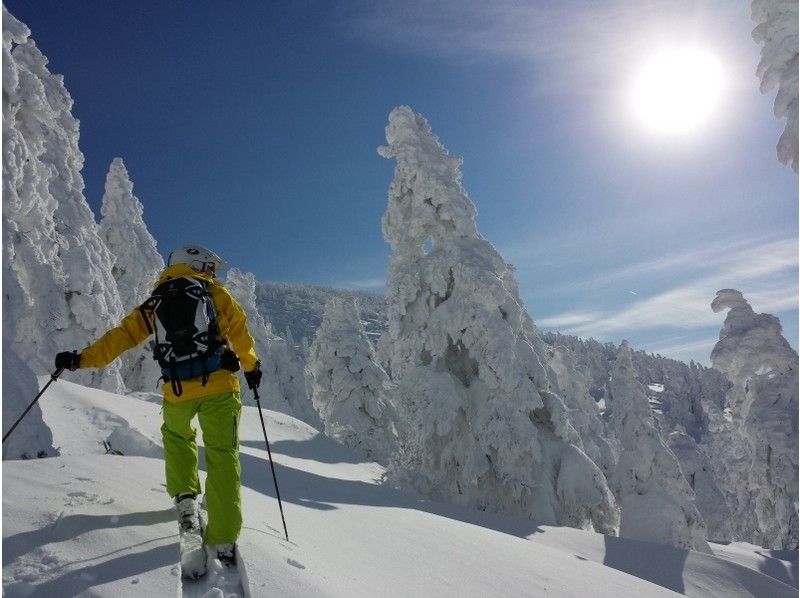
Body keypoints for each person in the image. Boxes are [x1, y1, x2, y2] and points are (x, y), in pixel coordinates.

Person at [55, 245, 261, 570]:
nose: (212, 273)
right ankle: (222, 536)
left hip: (177, 390)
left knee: (177, 439)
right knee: (223, 457)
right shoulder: (215, 293)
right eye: (209, 267)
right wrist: (251, 367)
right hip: (220, 388)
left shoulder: (155, 302)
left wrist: (80, 359)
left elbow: (121, 337)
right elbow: (240, 333)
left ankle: (185, 500)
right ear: (197, 265)